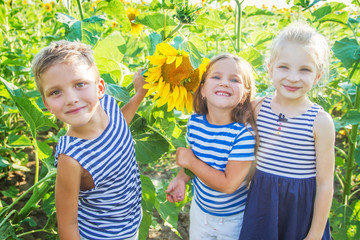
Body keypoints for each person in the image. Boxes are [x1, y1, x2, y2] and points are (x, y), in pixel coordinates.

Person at [31, 40, 147, 240]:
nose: (71, 98)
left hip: (130, 220)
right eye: (55, 92)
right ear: (47, 104)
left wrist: (139, 95)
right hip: (102, 235)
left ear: (100, 88)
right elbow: (67, 224)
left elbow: (119, 124)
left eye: (80, 84)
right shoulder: (72, 157)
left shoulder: (108, 105)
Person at [239, 23, 335, 240]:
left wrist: (316, 233)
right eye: (284, 67)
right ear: (270, 68)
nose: (293, 77)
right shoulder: (256, 108)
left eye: (305, 70)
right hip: (261, 204)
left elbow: (325, 183)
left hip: (300, 208)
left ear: (317, 76)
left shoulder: (320, 122)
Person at [165, 54, 257, 239]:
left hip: (233, 219)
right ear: (203, 90)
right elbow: (196, 160)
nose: (224, 83)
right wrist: (182, 179)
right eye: (216, 77)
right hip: (201, 211)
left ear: (245, 95)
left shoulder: (243, 135)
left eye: (234, 80)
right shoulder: (195, 122)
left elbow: (228, 184)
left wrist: (190, 163)